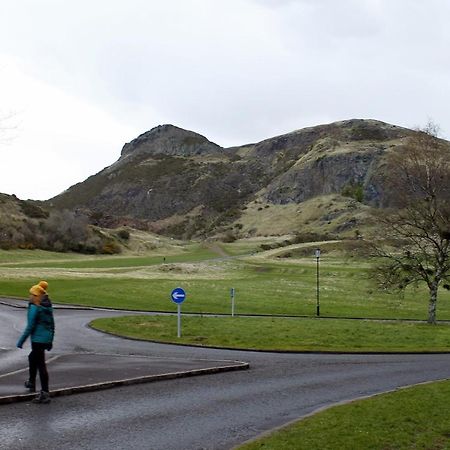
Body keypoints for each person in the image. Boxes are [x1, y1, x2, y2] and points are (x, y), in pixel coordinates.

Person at [17, 283, 55, 404]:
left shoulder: (35, 307)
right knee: (32, 358)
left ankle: (45, 393)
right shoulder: (47, 306)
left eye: (32, 294)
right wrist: (50, 340)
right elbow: (52, 325)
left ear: (36, 296)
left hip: (37, 340)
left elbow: (30, 326)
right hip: (45, 339)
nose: (30, 296)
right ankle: (32, 382)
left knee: (41, 365)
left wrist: (21, 340)